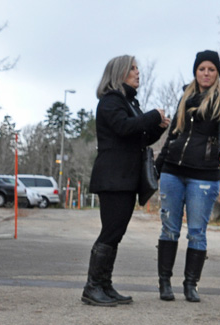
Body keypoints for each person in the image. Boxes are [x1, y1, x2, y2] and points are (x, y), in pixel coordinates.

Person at [154, 50, 220, 302]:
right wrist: (158, 165)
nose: (206, 73)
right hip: (173, 170)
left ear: (217, 73)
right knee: (169, 228)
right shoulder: (186, 96)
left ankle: (191, 284)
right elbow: (174, 133)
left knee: (197, 231)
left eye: (211, 69)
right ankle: (164, 282)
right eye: (202, 69)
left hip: (204, 174)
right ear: (195, 71)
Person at [84, 56, 169, 306]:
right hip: (113, 178)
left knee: (116, 233)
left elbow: (138, 137)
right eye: (132, 68)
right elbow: (123, 127)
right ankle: (92, 287)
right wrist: (152, 115)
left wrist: (158, 127)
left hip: (125, 178)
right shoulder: (111, 101)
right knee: (111, 232)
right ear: (119, 72)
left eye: (137, 68)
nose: (137, 72)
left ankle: (104, 284)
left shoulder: (128, 102)